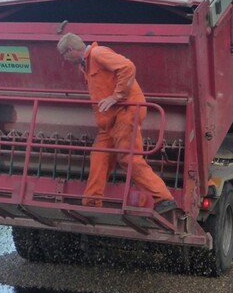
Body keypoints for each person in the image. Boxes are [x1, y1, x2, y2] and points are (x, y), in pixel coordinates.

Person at [57, 33, 177, 214]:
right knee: (99, 154)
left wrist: (117, 96)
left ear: (71, 50)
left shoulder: (98, 54)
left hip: (126, 112)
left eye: (64, 55)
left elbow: (128, 66)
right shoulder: (86, 65)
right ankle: (91, 203)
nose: (64, 59)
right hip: (110, 120)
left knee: (129, 158)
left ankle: (164, 198)